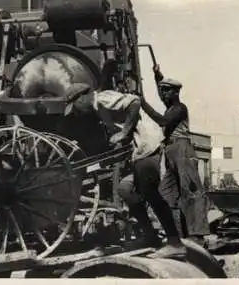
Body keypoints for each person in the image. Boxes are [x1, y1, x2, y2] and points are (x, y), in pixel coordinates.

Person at [65, 83, 187, 258]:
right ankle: (150, 236)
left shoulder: (102, 99)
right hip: (138, 151)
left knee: (150, 192)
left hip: (148, 147)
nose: (76, 111)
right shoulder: (100, 108)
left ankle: (175, 243)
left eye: (74, 106)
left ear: (82, 97)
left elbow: (135, 102)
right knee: (126, 189)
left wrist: (124, 133)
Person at [140, 64, 210, 246]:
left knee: (191, 191)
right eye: (162, 91)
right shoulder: (170, 106)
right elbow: (160, 92)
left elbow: (162, 121)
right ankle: (177, 233)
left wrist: (142, 103)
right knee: (166, 193)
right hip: (170, 151)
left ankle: (197, 235)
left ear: (175, 93)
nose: (162, 94)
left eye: (166, 91)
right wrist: (157, 76)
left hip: (182, 149)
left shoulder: (179, 108)